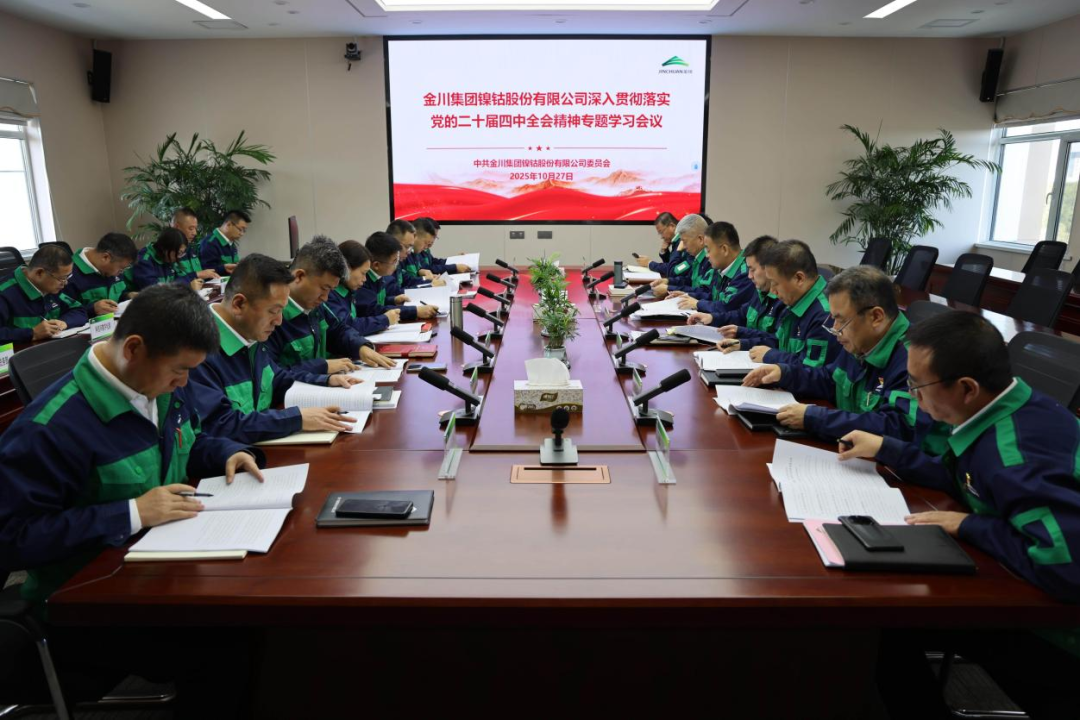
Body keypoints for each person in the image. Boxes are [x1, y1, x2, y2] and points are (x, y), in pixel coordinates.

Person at [0, 284, 264, 717]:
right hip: (88, 602)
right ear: (134, 349)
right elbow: (12, 539)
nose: (185, 382)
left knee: (250, 612)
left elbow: (185, 442)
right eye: (180, 370)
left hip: (160, 566)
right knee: (227, 642)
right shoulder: (49, 429)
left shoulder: (159, 385)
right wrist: (132, 512)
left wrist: (226, 452)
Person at [836, 311, 1080, 720]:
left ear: (967, 388)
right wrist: (887, 449)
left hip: (1061, 634)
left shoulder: (1015, 456)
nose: (912, 395)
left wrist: (971, 525)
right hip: (1030, 586)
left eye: (917, 385)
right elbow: (966, 479)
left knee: (888, 622)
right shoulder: (1003, 408)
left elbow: (1066, 568)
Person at [190, 254, 361, 444]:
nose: (279, 321)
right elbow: (220, 425)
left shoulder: (249, 333)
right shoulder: (197, 353)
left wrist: (326, 381)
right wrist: (296, 419)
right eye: (273, 311)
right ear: (239, 304)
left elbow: (277, 379)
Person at [742, 265, 924, 441]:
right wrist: (784, 373)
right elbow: (830, 380)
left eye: (841, 320)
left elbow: (897, 427)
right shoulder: (861, 341)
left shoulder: (915, 360)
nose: (835, 329)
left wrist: (817, 418)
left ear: (876, 317)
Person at [265, 235, 395, 374]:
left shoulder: (315, 306)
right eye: (324, 288)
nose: (325, 298)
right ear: (299, 276)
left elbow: (337, 330)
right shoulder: (273, 316)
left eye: (331, 290)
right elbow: (272, 373)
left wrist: (360, 347)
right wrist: (322, 367)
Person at [721, 239, 839, 367]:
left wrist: (771, 356)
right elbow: (778, 341)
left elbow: (812, 370)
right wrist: (742, 344)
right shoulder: (795, 299)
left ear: (799, 278)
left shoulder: (826, 315)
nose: (772, 291)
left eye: (775, 283)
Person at [687, 235, 782, 332]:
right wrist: (712, 318)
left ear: (769, 268)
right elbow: (740, 315)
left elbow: (773, 339)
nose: (749, 276)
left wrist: (741, 335)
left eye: (753, 270)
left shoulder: (783, 300)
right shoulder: (760, 292)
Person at [0, 243, 88, 343]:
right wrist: (33, 333)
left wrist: (63, 322)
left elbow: (79, 310)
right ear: (39, 273)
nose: (65, 283)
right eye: (62, 278)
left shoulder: (52, 287)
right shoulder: (4, 293)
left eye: (67, 277)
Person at [670, 221, 754, 314]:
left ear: (724, 249)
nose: (707, 255)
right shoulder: (722, 267)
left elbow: (725, 307)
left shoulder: (745, 273)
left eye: (708, 250)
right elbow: (712, 296)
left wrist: (697, 303)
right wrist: (688, 295)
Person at [355, 231, 438, 322]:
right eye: (394, 261)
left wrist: (393, 300)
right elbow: (374, 310)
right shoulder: (362, 281)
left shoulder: (379, 274)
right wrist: (415, 311)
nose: (397, 264)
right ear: (376, 265)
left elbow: (378, 301)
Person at [327, 239, 400, 336]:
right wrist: (384, 320)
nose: (365, 279)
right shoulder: (330, 296)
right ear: (346, 268)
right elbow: (349, 326)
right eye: (363, 273)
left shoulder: (349, 291)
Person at [66, 232, 138, 317]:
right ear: (105, 257)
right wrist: (92, 309)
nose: (120, 273)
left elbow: (119, 294)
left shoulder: (112, 268)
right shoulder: (68, 274)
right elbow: (64, 315)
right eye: (121, 269)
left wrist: (128, 296)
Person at [128, 227, 204, 292]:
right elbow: (154, 290)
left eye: (182, 253)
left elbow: (181, 277)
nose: (179, 257)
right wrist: (187, 285)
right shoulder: (144, 260)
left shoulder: (170, 257)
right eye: (179, 253)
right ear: (165, 248)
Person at [650, 214, 709, 297]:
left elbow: (674, 271)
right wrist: (668, 281)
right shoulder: (696, 257)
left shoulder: (709, 260)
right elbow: (689, 280)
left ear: (700, 239)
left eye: (684, 241)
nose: (683, 246)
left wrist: (669, 288)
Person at [387, 219, 443, 289]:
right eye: (407, 246)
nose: (409, 251)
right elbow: (396, 292)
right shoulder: (387, 264)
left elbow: (408, 281)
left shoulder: (400, 259)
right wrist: (430, 285)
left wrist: (427, 279)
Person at [170, 207, 219, 281]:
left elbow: (203, 273)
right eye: (191, 228)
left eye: (195, 228)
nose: (195, 233)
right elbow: (169, 284)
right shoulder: (168, 253)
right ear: (177, 227)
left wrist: (222, 268)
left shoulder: (191, 249)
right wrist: (196, 275)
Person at [198, 209, 249, 276]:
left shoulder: (231, 243)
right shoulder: (209, 243)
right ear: (228, 225)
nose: (242, 234)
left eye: (244, 231)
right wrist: (223, 268)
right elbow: (206, 273)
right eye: (240, 229)